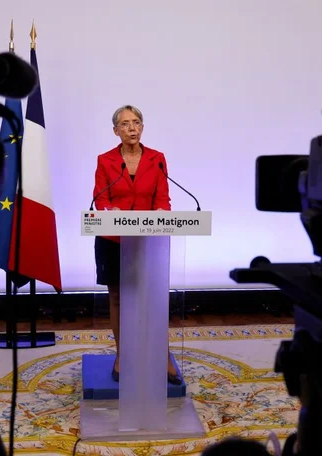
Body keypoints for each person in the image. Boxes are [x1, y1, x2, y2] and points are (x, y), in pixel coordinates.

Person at [92, 105, 180, 385]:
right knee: (118, 297)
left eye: (137, 122)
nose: (132, 128)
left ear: (142, 127)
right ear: (116, 130)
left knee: (152, 299)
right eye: (126, 124)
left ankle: (162, 356)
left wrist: (160, 214)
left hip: (148, 241)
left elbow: (163, 198)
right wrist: (110, 212)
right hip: (112, 240)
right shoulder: (105, 160)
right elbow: (100, 199)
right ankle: (123, 355)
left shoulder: (157, 159)